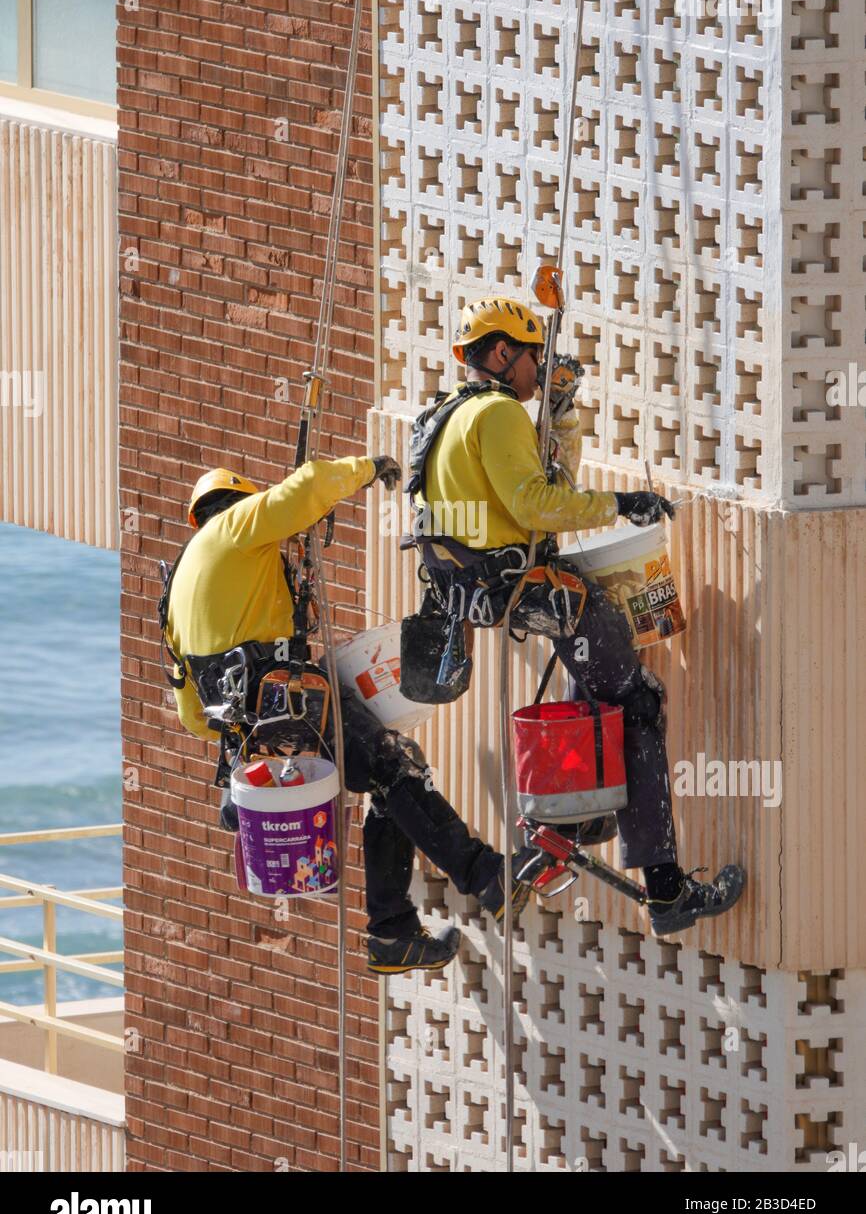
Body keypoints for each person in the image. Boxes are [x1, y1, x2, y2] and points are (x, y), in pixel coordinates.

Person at [409, 295, 746, 936]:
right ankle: (668, 892)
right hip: (534, 592)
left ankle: (571, 823)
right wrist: (624, 501)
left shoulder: (445, 417)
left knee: (594, 697)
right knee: (636, 703)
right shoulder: (501, 413)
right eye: (534, 356)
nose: (540, 368)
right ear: (504, 353)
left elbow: (538, 489)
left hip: (487, 592)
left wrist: (560, 417)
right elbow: (539, 502)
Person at [160, 459, 545, 975]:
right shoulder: (234, 527)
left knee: (389, 779)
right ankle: (485, 877)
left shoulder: (177, 586)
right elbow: (306, 488)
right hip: (288, 699)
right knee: (398, 768)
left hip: (255, 724)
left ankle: (393, 933)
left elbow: (191, 714)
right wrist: (366, 470)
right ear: (235, 505)